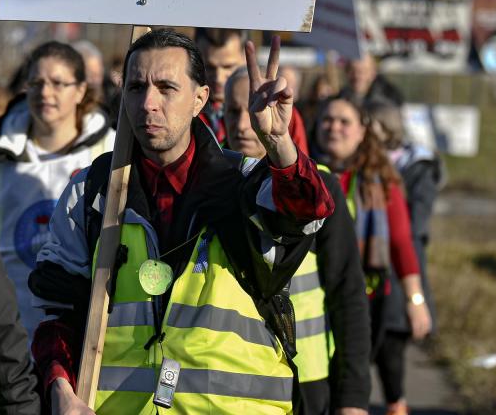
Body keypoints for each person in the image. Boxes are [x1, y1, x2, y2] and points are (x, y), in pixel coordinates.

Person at [30, 30, 335, 415]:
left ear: (200, 99)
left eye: (166, 87)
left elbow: (307, 212)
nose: (148, 104)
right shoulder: (91, 194)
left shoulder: (244, 182)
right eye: (136, 87)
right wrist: (61, 391)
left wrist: (279, 143)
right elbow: (55, 316)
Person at [225, 67, 371, 415]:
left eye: (253, 110)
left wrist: (352, 398)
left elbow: (348, 294)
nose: (244, 124)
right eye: (233, 111)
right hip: (230, 381)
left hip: (304, 381)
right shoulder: (209, 188)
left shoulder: (318, 191)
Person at [0, 42, 115, 338]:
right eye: (36, 83)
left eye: (58, 83)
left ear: (80, 90)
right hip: (6, 328)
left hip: (79, 329)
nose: (45, 93)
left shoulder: (111, 150)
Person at [311, 96, 431, 415]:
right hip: (311, 301)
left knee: (353, 385)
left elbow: (402, 244)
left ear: (362, 131)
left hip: (366, 300)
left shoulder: (379, 181)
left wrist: (415, 302)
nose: (334, 128)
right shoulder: (302, 174)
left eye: (344, 121)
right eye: (327, 120)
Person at [370, 102, 445, 415]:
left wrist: (415, 297)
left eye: (369, 126)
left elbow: (415, 226)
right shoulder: (363, 165)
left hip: (401, 267)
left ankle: (396, 404)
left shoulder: (417, 166)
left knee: (391, 347)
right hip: (371, 268)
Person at [194, 27, 247, 144]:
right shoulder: (184, 109)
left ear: (246, 58)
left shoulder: (271, 109)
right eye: (209, 67)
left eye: (228, 67)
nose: (218, 78)